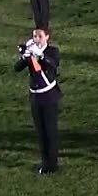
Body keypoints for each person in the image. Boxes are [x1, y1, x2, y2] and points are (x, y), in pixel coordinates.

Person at [14, 27, 61, 174]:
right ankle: (44, 161)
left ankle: (52, 164)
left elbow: (53, 65)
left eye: (40, 36)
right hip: (35, 96)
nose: (36, 39)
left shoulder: (52, 51)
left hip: (49, 95)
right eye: (35, 36)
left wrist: (39, 56)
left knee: (50, 130)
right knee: (40, 131)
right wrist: (25, 56)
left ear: (47, 37)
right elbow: (17, 68)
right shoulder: (31, 51)